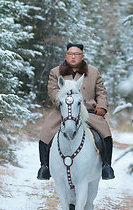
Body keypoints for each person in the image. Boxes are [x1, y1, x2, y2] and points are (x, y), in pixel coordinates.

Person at [37, 43, 115, 180]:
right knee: (46, 133)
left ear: (82, 56)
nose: (73, 57)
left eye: (76, 54)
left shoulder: (94, 72)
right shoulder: (55, 72)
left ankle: (106, 166)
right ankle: (44, 167)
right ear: (66, 55)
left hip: (89, 112)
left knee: (106, 135)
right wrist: (61, 103)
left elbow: (101, 92)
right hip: (63, 111)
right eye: (70, 54)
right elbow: (53, 91)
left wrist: (101, 106)